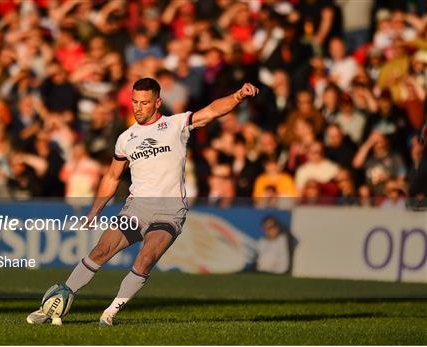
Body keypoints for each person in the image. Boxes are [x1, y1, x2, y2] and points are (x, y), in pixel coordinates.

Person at [26, 77, 259, 326]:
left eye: (144, 102)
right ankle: (54, 304)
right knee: (101, 251)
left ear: (157, 103)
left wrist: (237, 97)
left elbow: (212, 110)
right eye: (135, 101)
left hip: (169, 212)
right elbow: (112, 176)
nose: (138, 107)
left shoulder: (176, 124)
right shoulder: (126, 138)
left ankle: (110, 313)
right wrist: (94, 211)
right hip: (137, 209)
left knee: (145, 259)